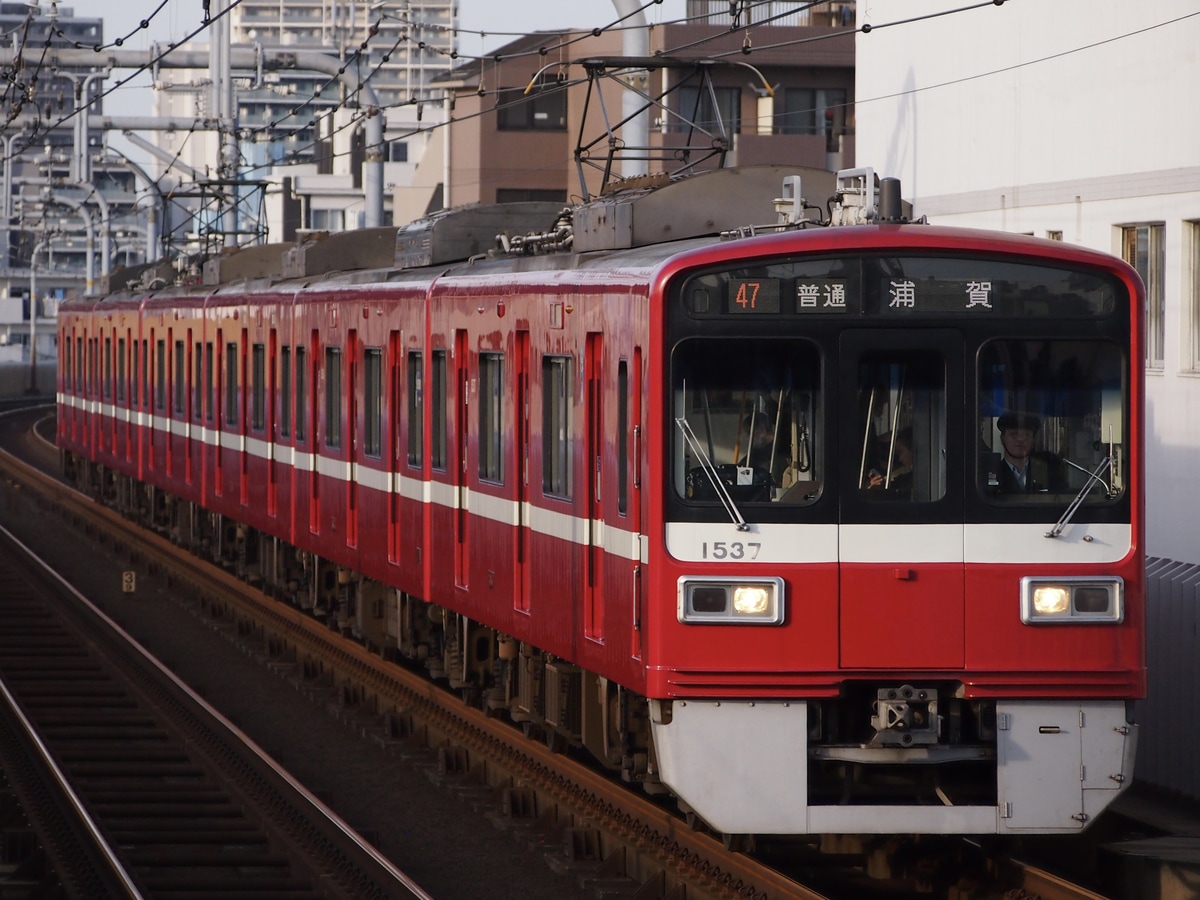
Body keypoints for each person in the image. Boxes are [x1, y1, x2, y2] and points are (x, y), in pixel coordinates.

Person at [988, 412, 1064, 494]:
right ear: (1002, 439)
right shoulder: (993, 473)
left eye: (1026, 435)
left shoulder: (1048, 472)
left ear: (1033, 441)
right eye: (1014, 434)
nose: (1020, 439)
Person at [867, 428, 914, 494]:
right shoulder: (908, 476)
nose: (900, 458)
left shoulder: (916, 478)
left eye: (900, 452)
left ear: (912, 449)